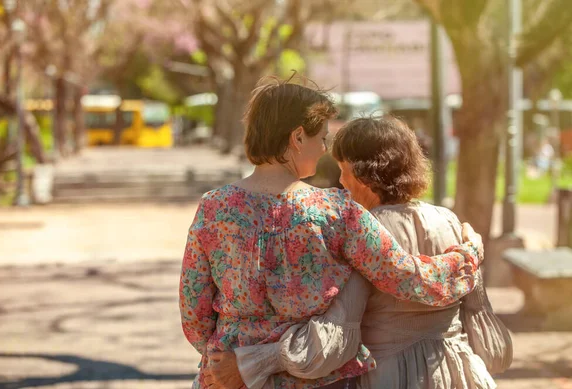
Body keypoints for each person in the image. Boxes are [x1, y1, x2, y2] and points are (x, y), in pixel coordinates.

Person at [180, 78, 483, 389]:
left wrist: (230, 354)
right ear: (298, 137)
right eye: (322, 138)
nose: (324, 149)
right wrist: (467, 256)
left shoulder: (213, 207)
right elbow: (408, 278)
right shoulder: (336, 211)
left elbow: (194, 314)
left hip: (228, 375)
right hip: (314, 380)